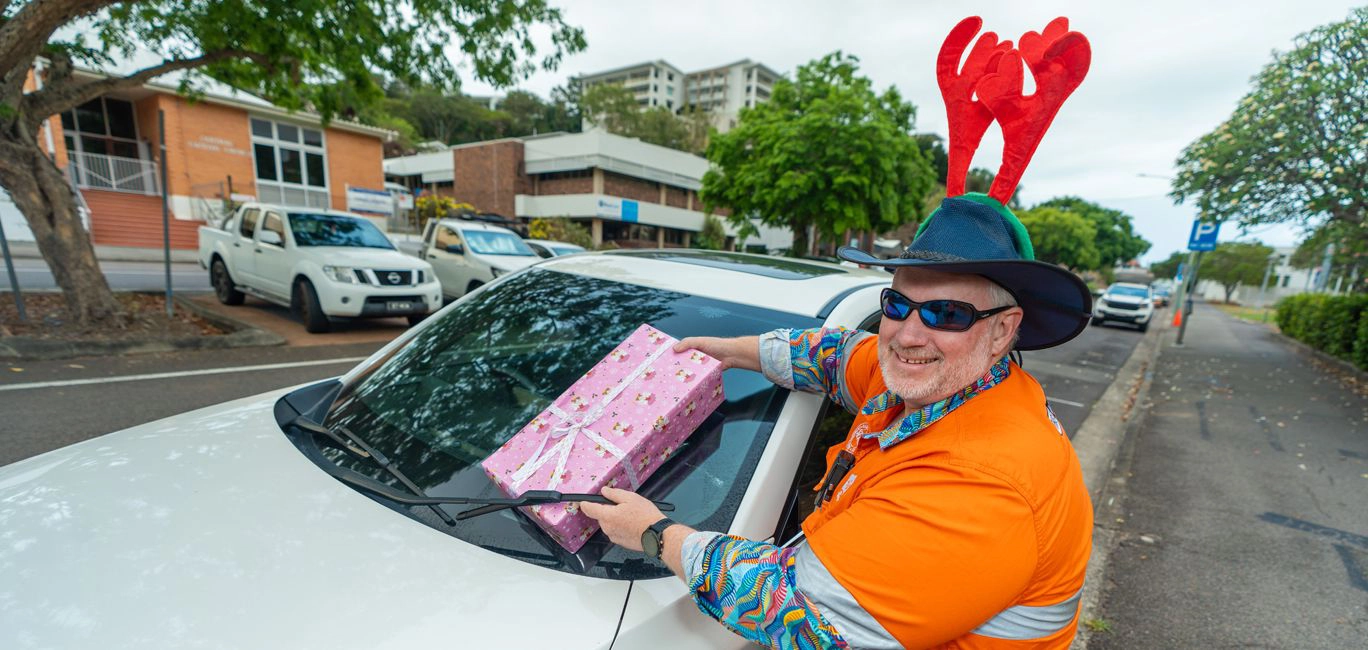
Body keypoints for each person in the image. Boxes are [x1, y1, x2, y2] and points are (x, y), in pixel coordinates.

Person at [580, 15, 1097, 649]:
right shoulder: (936, 378)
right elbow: (834, 354)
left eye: (948, 314)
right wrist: (730, 351)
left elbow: (795, 608)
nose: (909, 334)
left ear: (1003, 330)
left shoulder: (985, 482)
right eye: (897, 304)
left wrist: (655, 533)